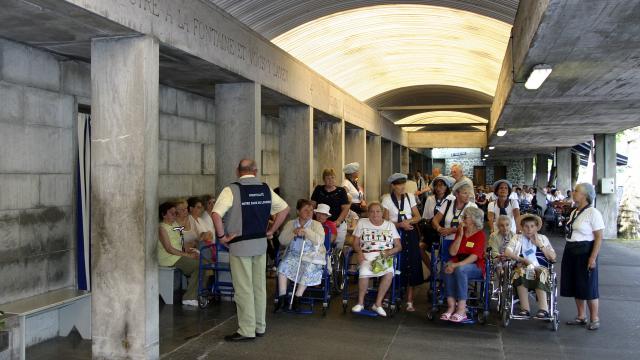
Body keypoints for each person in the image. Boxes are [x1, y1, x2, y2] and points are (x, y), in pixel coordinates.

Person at [211, 159, 289, 341]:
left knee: (243, 289)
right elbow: (285, 209)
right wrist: (271, 230)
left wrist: (222, 237)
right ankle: (260, 326)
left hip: (239, 245)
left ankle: (246, 330)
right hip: (260, 245)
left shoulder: (231, 189)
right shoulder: (265, 189)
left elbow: (216, 215)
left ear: (238, 171)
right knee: (259, 287)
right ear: (255, 171)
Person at [561, 183, 604, 330]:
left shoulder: (593, 213)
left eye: (576, 191)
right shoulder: (575, 211)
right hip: (571, 249)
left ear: (585, 195)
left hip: (585, 250)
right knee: (575, 283)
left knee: (588, 284)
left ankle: (594, 318)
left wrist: (592, 258)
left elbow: (599, 237)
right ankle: (581, 316)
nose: (573, 192)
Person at [381, 173, 424, 312]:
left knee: (412, 263)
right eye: (399, 184)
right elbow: (385, 221)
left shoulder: (410, 197)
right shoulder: (387, 199)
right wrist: (400, 225)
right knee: (395, 263)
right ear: (393, 186)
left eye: (403, 184)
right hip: (395, 233)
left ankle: (410, 300)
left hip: (410, 233)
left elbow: (418, 216)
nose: (402, 187)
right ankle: (391, 293)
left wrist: (408, 222)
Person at [351, 202, 402, 317]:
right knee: (364, 270)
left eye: (378, 211)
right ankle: (360, 303)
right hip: (367, 255)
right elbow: (355, 243)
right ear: (368, 213)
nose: (375, 214)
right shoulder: (362, 223)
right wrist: (359, 252)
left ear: (382, 213)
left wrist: (389, 252)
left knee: (389, 273)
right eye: (372, 211)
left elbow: (399, 247)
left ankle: (378, 304)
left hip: (384, 256)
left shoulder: (390, 225)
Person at [274, 199, 326, 312]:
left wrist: (307, 231)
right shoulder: (290, 224)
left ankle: (298, 297)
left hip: (311, 256)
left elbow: (320, 240)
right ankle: (282, 298)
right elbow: (282, 240)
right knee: (283, 265)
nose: (309, 213)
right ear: (298, 211)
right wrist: (293, 232)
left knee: (309, 268)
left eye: (311, 210)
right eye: (305, 210)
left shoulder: (316, 225)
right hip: (294, 255)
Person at [505, 214, 556, 318]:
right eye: (526, 226)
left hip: (540, 267)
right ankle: (525, 308)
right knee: (519, 273)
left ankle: (543, 309)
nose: (529, 229)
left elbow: (553, 257)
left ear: (537, 227)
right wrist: (522, 260)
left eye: (532, 226)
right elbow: (507, 252)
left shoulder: (543, 238)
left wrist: (540, 245)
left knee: (540, 273)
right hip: (522, 266)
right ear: (522, 227)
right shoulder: (517, 238)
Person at [440, 207, 486, 323]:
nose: (463, 219)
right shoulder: (462, 232)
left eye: (466, 217)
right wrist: (460, 235)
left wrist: (456, 265)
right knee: (447, 267)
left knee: (460, 269)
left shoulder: (480, 235)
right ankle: (451, 306)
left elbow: (475, 256)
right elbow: (452, 252)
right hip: (458, 260)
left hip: (475, 265)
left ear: (474, 219)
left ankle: (462, 309)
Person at [157, 201, 203, 307]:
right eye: (171, 213)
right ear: (164, 215)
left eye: (175, 213)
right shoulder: (162, 228)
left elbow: (180, 241)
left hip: (178, 255)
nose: (174, 215)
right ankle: (189, 297)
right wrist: (187, 255)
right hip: (169, 258)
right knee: (199, 266)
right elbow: (169, 248)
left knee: (204, 261)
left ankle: (198, 293)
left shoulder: (175, 225)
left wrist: (190, 250)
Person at [431, 182, 478, 263]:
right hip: (446, 241)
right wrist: (439, 229)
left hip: (464, 243)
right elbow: (435, 220)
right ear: (456, 193)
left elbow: (473, 227)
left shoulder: (472, 206)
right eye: (465, 193)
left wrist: (452, 230)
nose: (468, 196)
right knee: (446, 268)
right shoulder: (447, 203)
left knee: (458, 269)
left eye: (468, 193)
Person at [420, 175, 455, 268]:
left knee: (446, 249)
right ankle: (433, 271)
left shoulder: (451, 199)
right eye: (436, 185)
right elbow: (425, 218)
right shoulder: (430, 199)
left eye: (441, 185)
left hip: (447, 232)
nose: (438, 188)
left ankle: (445, 269)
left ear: (446, 187)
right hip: (432, 232)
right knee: (420, 247)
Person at [311, 168, 350, 247]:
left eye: (332, 177)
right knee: (318, 244)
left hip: (336, 223)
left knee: (337, 247)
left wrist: (338, 221)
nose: (330, 180)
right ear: (323, 179)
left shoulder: (341, 191)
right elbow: (312, 205)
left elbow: (345, 208)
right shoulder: (318, 189)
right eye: (328, 178)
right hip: (319, 223)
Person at [187, 196, 215, 261]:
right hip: (196, 249)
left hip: (205, 247)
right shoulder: (189, 219)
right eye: (198, 207)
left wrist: (206, 235)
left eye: (201, 207)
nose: (201, 209)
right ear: (191, 208)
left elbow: (210, 235)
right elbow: (196, 238)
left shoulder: (200, 220)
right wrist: (203, 236)